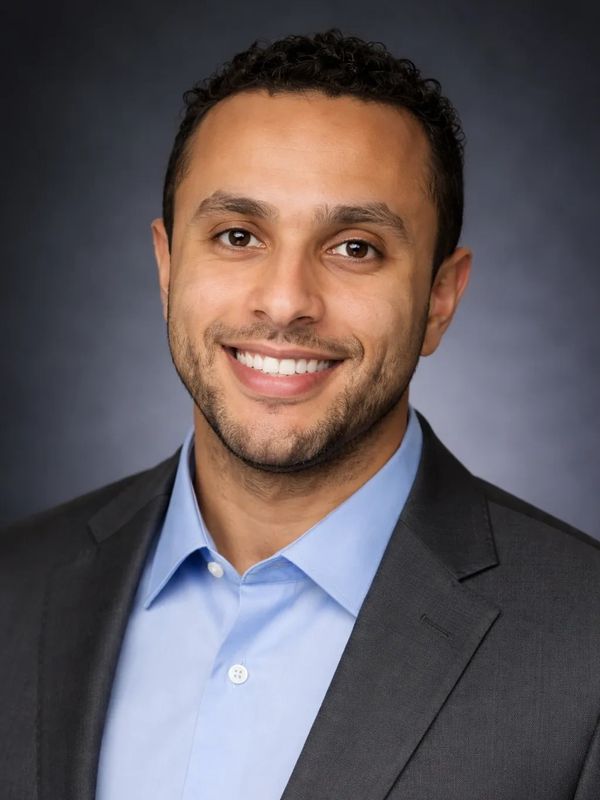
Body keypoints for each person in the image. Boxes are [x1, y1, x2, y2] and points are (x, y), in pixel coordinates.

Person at [1, 29, 599, 800]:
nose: (285, 302)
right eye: (238, 236)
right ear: (167, 266)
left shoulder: (583, 645)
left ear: (440, 300)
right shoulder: (15, 590)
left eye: (354, 248)